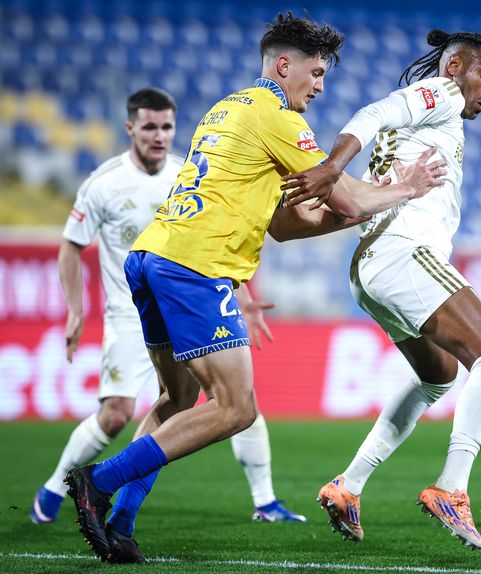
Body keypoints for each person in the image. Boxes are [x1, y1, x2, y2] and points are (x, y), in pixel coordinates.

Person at [64, 12, 445, 564]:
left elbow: (286, 226)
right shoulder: (279, 118)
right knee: (235, 408)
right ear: (283, 65)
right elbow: (351, 199)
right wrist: (403, 189)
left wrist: (358, 208)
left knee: (179, 399)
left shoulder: (229, 108)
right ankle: (98, 483)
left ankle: (119, 521)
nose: (319, 87)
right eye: (315, 74)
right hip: (196, 266)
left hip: (151, 258)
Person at [30, 87, 306, 546]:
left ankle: (133, 518)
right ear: (130, 129)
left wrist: (241, 298)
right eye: (150, 126)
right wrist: (75, 309)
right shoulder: (103, 183)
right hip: (127, 309)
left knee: (198, 402)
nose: (160, 135)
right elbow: (70, 246)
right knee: (130, 413)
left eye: (167, 127)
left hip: (181, 293)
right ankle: (63, 488)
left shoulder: (188, 170)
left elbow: (216, 237)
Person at [282, 29, 481, 550]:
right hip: (405, 254)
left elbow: (377, 152)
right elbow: (374, 112)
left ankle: (349, 485)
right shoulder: (444, 93)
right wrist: (331, 165)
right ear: (455, 66)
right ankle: (452, 487)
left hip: (373, 264)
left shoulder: (426, 128)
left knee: (438, 374)